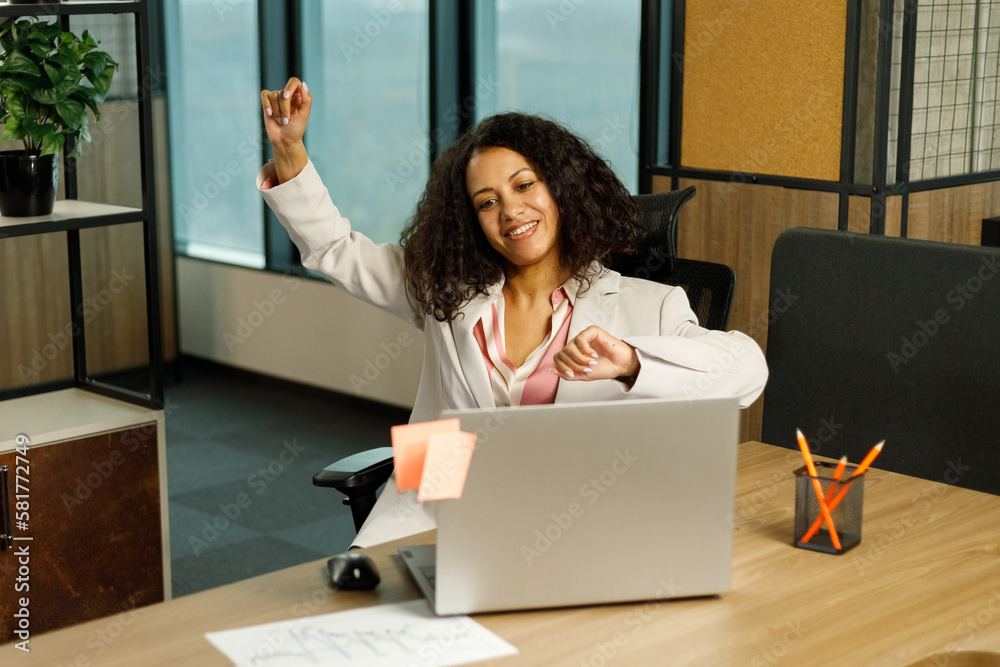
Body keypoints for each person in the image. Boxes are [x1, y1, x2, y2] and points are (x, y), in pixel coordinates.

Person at [258, 78, 768, 546]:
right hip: (437, 504)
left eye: (525, 186)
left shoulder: (646, 305)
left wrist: (633, 361)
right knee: (373, 616)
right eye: (487, 202)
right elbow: (334, 250)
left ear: (562, 189)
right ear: (471, 220)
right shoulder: (444, 289)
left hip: (571, 525)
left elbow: (749, 372)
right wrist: (289, 150)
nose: (510, 212)